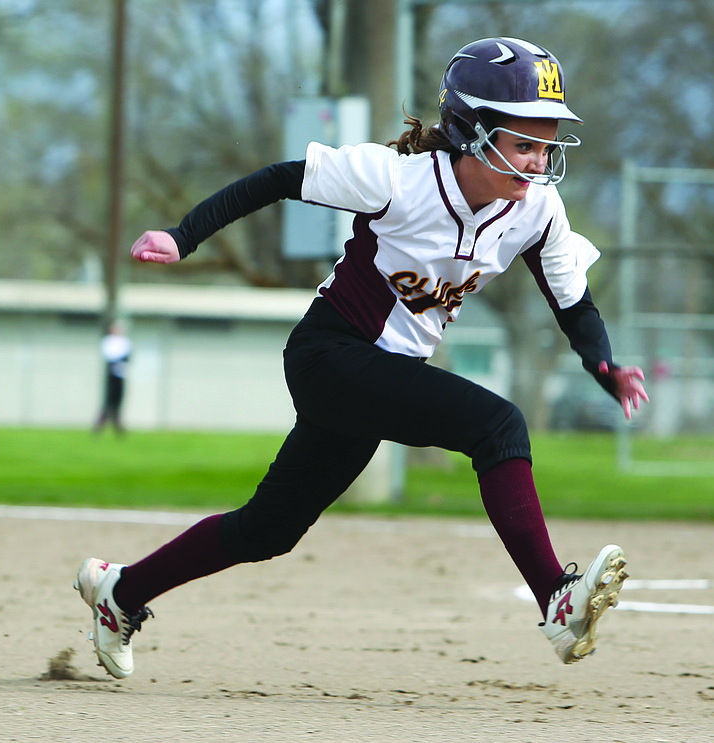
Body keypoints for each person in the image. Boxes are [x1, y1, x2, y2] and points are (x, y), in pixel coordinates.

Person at [74, 37, 647, 679]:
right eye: (524, 143)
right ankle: (555, 600)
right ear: (469, 133)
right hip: (330, 355)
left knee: (267, 532)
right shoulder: (396, 177)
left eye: (546, 145)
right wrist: (183, 237)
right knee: (499, 426)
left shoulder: (537, 209)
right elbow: (280, 179)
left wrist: (603, 367)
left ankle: (120, 593)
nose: (539, 162)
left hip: (378, 379)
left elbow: (575, 304)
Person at [92, 322, 131, 435]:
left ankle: (117, 423)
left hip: (121, 373)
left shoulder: (124, 342)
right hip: (111, 373)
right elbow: (109, 356)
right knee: (109, 399)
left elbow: (127, 356)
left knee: (119, 399)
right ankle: (102, 423)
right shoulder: (108, 341)